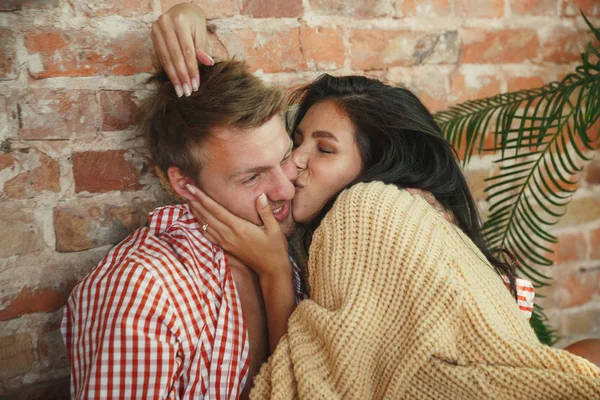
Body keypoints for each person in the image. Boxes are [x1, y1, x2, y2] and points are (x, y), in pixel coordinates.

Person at [154, 5, 600, 398]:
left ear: (375, 166)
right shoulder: (364, 223)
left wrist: (273, 271)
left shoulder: (368, 211)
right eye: (297, 141)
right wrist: (189, 19)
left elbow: (312, 382)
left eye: (324, 150)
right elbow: (232, 126)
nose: (292, 167)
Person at [61, 60, 307, 399]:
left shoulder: (288, 246)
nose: (287, 190)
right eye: (252, 177)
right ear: (185, 183)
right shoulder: (144, 290)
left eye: (285, 158)